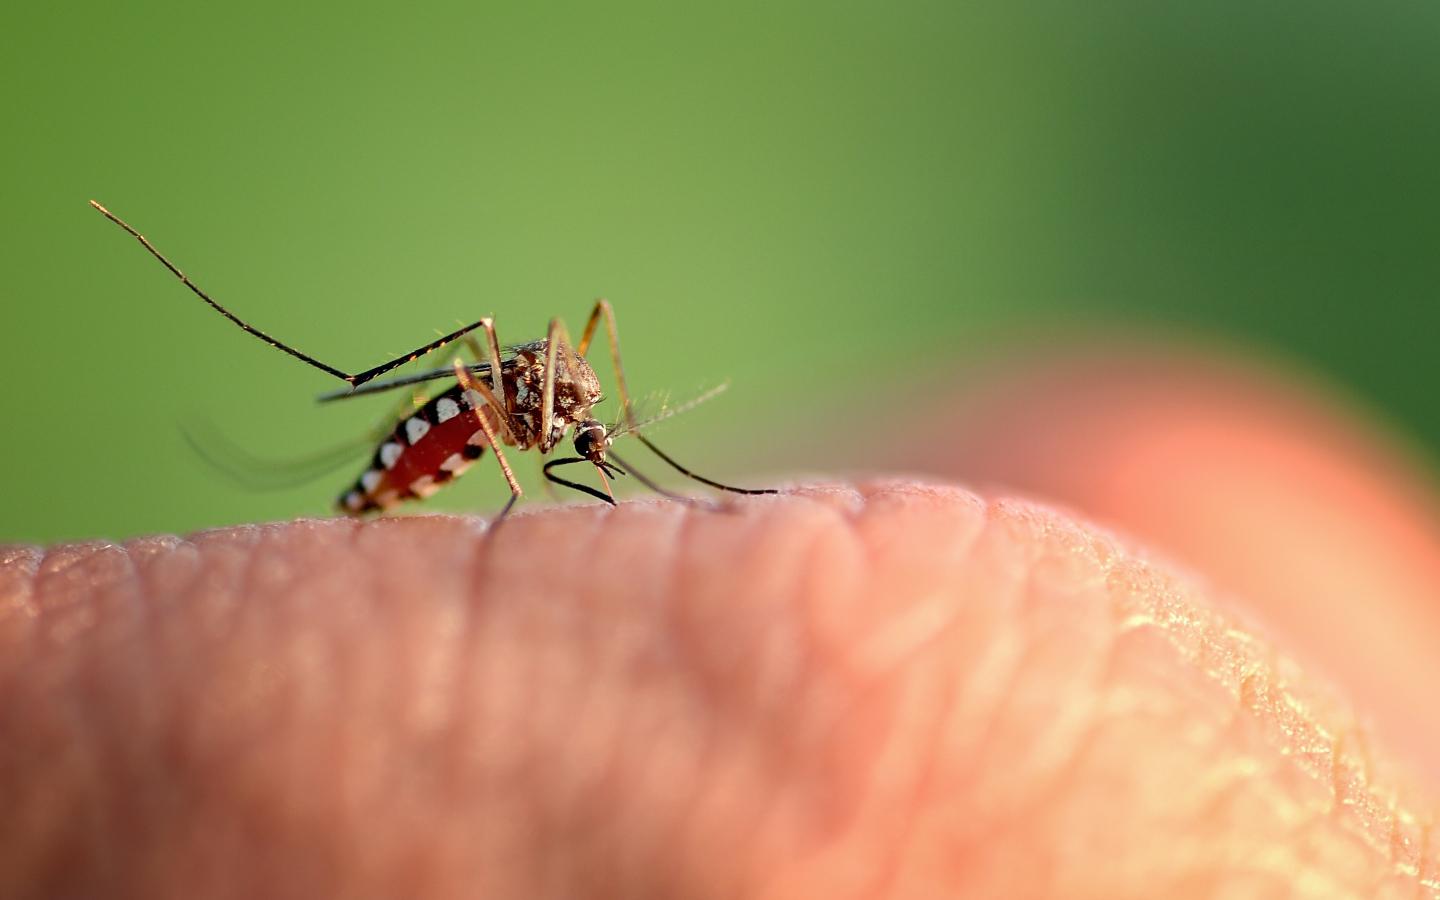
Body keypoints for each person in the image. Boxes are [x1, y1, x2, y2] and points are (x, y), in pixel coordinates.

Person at [3, 347, 1438, 897]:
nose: (582, 433)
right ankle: (337, 409)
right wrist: (470, 445)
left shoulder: (574, 411)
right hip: (436, 419)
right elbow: (496, 388)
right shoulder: (508, 420)